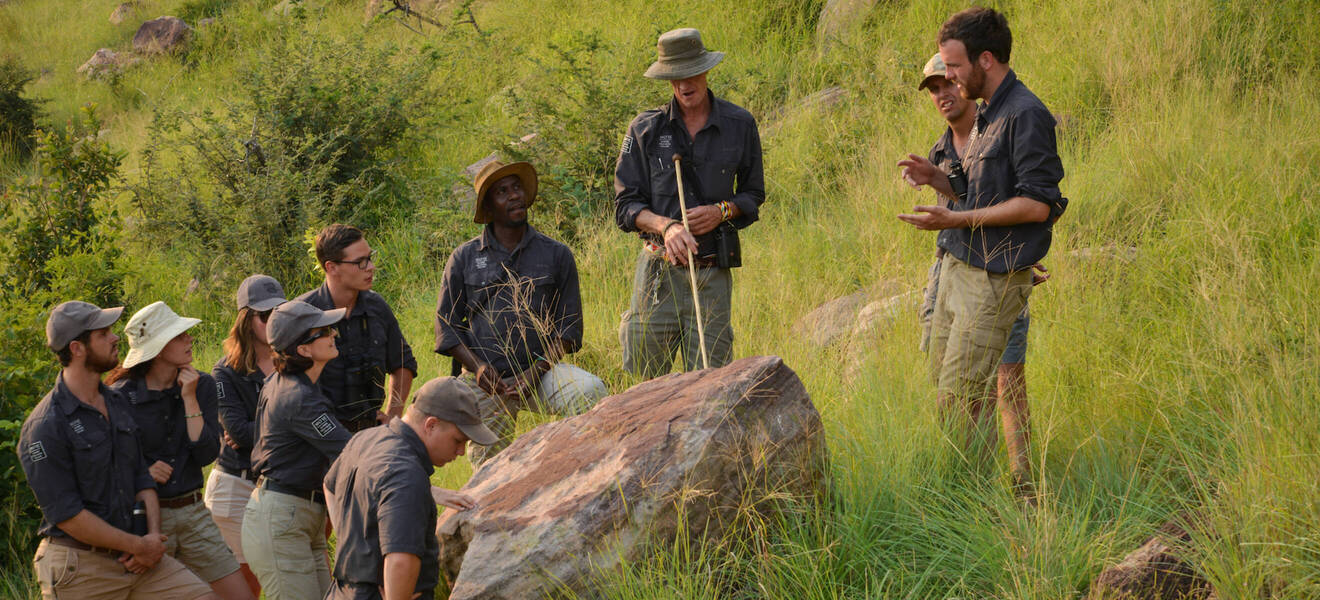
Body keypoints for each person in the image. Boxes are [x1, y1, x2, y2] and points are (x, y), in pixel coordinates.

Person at [897, 7, 1067, 494]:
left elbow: (1037, 204)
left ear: (985, 60)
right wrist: (940, 182)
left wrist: (956, 218)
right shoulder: (987, 112)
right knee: (949, 389)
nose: (946, 76)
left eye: (952, 66)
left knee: (965, 397)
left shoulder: (1025, 114)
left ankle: (965, 501)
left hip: (994, 277)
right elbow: (980, 192)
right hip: (958, 265)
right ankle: (971, 497)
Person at [19, 300, 217, 600]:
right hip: (83, 566)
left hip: (139, 557)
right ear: (77, 349)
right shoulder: (45, 427)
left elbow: (140, 475)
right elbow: (68, 515)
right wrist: (137, 546)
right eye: (104, 334)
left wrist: (151, 537)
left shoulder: (116, 402)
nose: (115, 339)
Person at [614, 27, 765, 378]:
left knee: (710, 383)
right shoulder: (644, 130)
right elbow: (625, 206)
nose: (684, 84)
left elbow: (754, 194)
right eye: (675, 76)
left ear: (706, 69)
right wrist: (666, 227)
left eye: (691, 72)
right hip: (656, 276)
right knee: (646, 384)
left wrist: (721, 212)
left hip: (712, 272)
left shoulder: (739, 124)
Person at [434, 160, 607, 465]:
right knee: (489, 467)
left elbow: (568, 330)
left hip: (540, 372)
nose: (514, 196)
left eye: (517, 188)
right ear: (489, 207)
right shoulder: (464, 257)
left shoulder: (556, 254)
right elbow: (446, 327)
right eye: (502, 191)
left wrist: (534, 371)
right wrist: (479, 369)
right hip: (485, 381)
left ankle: (569, 467)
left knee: (590, 390)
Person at [105, 302, 253, 600]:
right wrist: (143, 474)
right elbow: (106, 465)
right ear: (158, 349)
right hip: (148, 518)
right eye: (179, 335)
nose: (190, 339)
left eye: (187, 334)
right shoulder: (120, 397)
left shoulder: (202, 385)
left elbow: (206, 454)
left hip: (194, 511)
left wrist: (189, 400)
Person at [323, 377, 497, 599]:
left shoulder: (366, 439)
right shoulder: (407, 474)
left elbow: (330, 486)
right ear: (431, 425)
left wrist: (352, 544)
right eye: (458, 440)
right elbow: (400, 559)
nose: (461, 451)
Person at [242, 300, 350, 599]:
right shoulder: (298, 398)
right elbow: (349, 451)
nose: (333, 336)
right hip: (283, 520)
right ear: (303, 350)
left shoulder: (287, 381)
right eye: (325, 331)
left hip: (300, 517)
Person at [206, 274, 287, 596]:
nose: (273, 322)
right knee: (246, 588)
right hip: (236, 488)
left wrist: (260, 431)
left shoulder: (294, 360)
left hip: (280, 485)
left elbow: (247, 431)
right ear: (245, 320)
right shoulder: (224, 371)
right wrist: (291, 429)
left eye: (279, 314)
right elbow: (237, 430)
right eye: (265, 316)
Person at [296, 224, 418, 433]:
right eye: (360, 262)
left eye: (370, 258)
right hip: (319, 440)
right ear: (331, 267)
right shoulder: (304, 314)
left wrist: (393, 416)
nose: (370, 267)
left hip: (371, 432)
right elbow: (282, 383)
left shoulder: (377, 307)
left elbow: (402, 363)